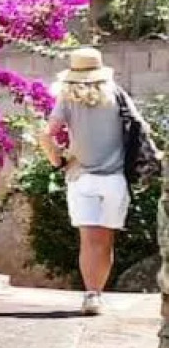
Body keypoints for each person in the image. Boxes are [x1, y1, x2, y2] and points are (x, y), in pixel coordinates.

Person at [38, 46, 128, 315]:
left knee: (88, 241)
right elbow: (137, 128)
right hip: (115, 178)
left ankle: (91, 296)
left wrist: (58, 161)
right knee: (105, 241)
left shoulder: (67, 100)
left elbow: (45, 135)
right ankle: (98, 293)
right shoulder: (118, 96)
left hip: (82, 178)